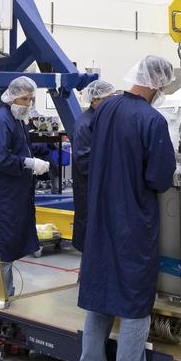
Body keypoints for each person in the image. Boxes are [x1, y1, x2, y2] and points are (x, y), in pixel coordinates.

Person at [62, 56, 177, 361]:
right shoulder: (152, 120)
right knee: (134, 303)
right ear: (159, 83)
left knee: (99, 297)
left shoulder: (105, 110)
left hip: (101, 219)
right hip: (133, 224)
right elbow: (159, 177)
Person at [0, 75, 50, 297]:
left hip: (15, 193)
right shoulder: (1, 121)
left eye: (31, 99)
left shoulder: (16, 119)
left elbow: (21, 147)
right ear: (13, 97)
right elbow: (0, 158)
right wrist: (28, 163)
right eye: (25, 99)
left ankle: (6, 293)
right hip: (3, 195)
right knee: (2, 244)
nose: (28, 104)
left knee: (10, 243)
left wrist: (38, 154)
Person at [71, 79, 117, 252]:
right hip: (89, 188)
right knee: (89, 228)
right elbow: (85, 161)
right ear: (95, 100)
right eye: (109, 99)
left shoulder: (102, 119)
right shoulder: (85, 124)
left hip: (101, 186)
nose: (112, 103)